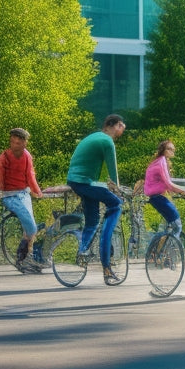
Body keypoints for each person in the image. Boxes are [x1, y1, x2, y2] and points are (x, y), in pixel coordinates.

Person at [66, 114, 126, 285]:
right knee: (115, 204)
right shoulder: (107, 141)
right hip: (84, 182)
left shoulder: (93, 136)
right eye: (120, 126)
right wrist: (118, 190)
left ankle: (83, 251)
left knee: (92, 220)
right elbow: (113, 172)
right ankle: (106, 264)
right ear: (111, 125)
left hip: (77, 181)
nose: (121, 129)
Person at [0, 127, 44, 273]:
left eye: (18, 143)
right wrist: (3, 190)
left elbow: (30, 175)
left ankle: (25, 258)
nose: (14, 145)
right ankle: (24, 257)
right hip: (9, 195)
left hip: (23, 193)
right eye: (12, 142)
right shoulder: (5, 156)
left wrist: (37, 191)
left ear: (24, 143)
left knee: (30, 226)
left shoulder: (27, 156)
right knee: (30, 224)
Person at [144, 140, 185, 238]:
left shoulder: (159, 161)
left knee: (171, 225)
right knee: (177, 226)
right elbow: (168, 183)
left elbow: (165, 182)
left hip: (156, 198)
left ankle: (159, 248)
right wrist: (183, 191)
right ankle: (171, 250)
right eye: (169, 149)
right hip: (158, 198)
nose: (172, 151)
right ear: (163, 150)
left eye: (173, 149)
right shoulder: (161, 162)